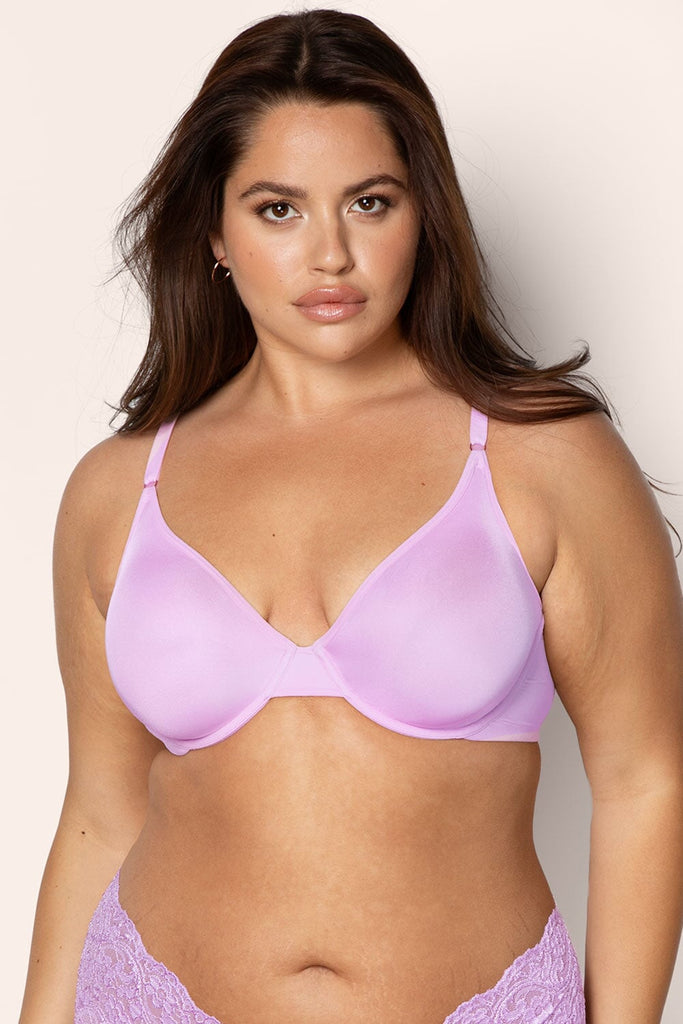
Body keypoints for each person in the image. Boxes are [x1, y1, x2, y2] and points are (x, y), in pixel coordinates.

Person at [19, 9, 682, 1024]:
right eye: (277, 209)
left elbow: (643, 780)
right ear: (215, 232)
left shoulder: (543, 457)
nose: (329, 254)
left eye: (369, 203)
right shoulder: (117, 490)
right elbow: (100, 812)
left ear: (424, 215)